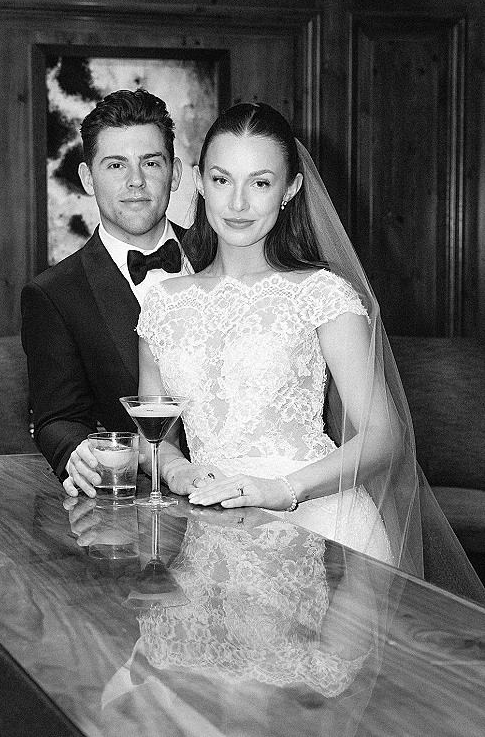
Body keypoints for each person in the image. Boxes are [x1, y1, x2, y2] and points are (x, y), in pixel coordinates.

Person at [136, 102, 485, 598]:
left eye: (260, 183)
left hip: (323, 528)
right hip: (211, 532)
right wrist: (176, 469)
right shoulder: (162, 304)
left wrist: (284, 491)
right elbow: (151, 435)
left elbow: (384, 436)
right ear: (197, 180)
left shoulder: (321, 294)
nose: (237, 203)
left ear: (290, 190)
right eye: (221, 179)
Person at [21, 88, 191, 495]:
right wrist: (74, 451)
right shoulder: (53, 294)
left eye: (151, 162)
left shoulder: (225, 260)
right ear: (87, 178)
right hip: (141, 514)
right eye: (115, 165)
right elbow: (56, 417)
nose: (136, 181)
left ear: (176, 173)